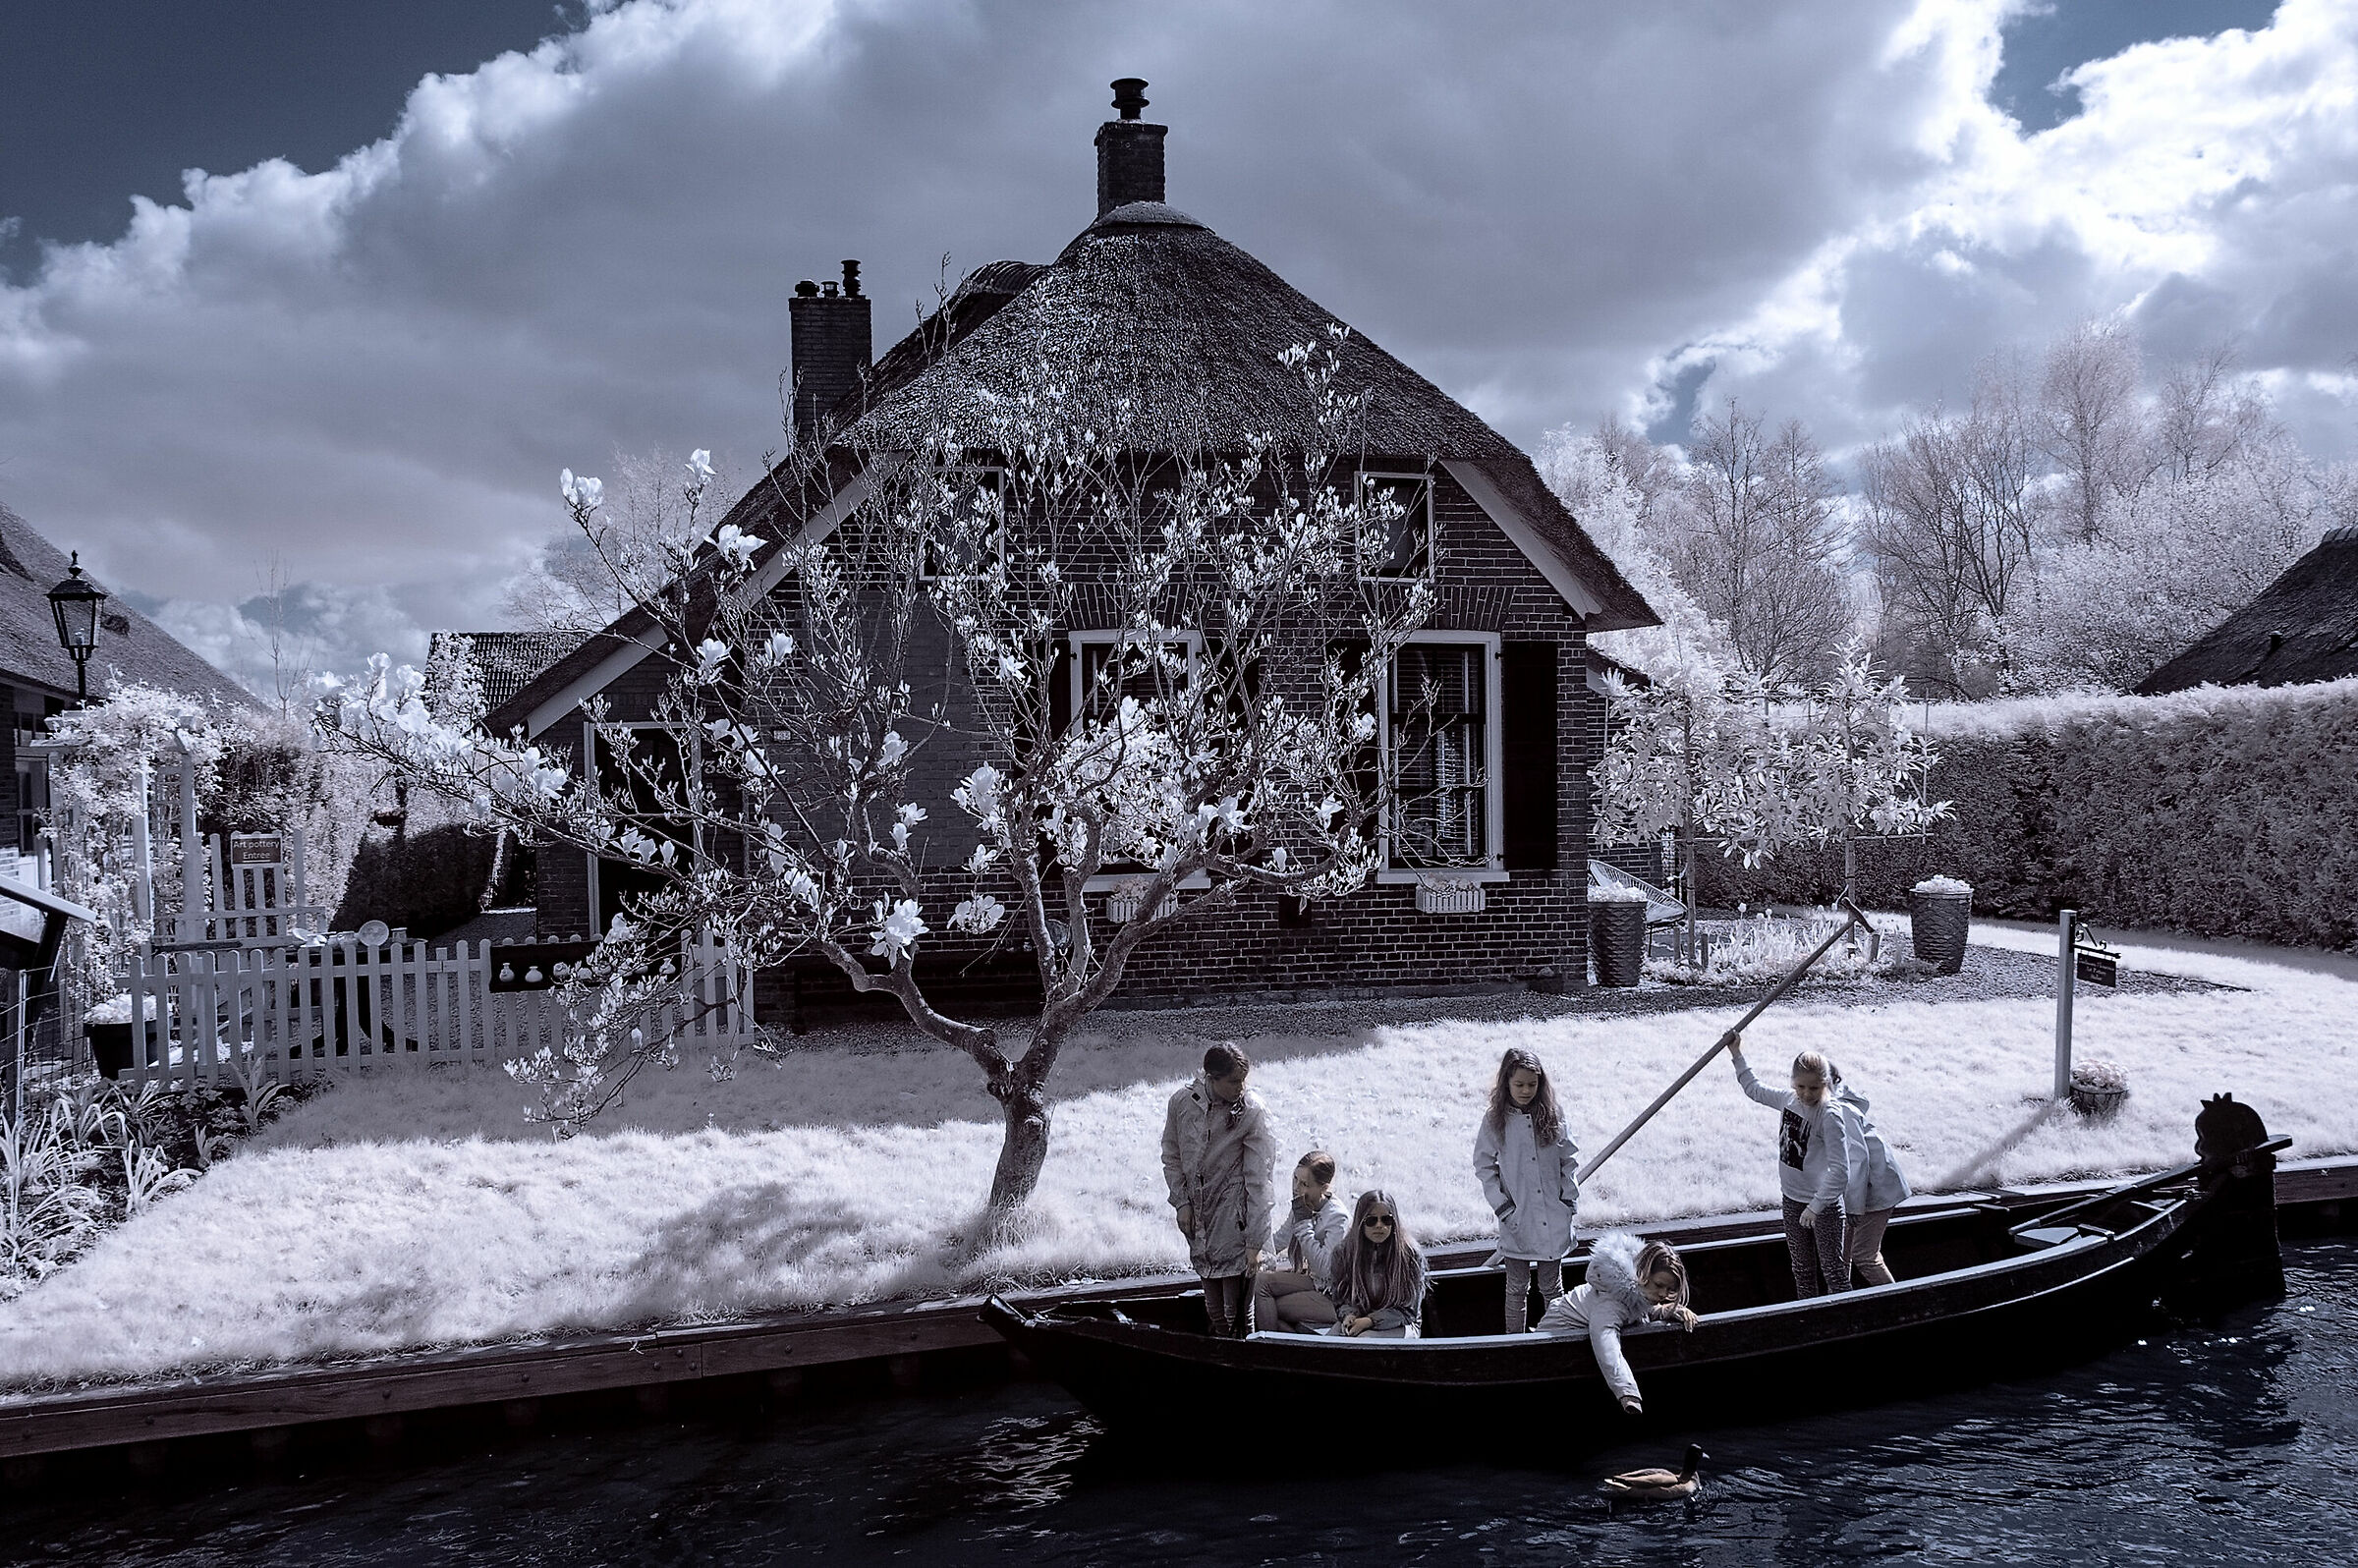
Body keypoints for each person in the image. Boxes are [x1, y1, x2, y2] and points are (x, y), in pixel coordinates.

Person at [1729, 1034, 1864, 1298]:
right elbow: (1754, 1089)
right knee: (1801, 1269)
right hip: (1792, 1199)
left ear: (1825, 1085)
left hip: (1823, 1206)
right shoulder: (1788, 1100)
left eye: (1813, 1088)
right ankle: (1808, 1319)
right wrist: (1736, 1053)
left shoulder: (1830, 1115)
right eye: (1800, 1086)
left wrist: (1815, 1207)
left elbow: (1840, 1171)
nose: (1806, 1094)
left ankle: (1847, 1323)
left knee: (1834, 1272)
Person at [1160, 1041, 1277, 1337]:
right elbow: (1172, 1155)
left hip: (1235, 1218)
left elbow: (1260, 1178)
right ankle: (1221, 1361)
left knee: (1237, 1313)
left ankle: (1244, 1364)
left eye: (1243, 1080)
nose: (1241, 1087)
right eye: (1234, 1081)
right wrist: (1182, 1203)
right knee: (1214, 1310)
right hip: (1200, 1217)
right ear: (1211, 1077)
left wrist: (1255, 1241)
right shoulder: (1182, 1103)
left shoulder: (1251, 1110)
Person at [1473, 1046, 1581, 1333]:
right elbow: (1484, 1166)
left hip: (1552, 1213)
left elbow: (1569, 1158)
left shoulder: (1553, 1113)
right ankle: (1513, 1341)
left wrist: (1568, 1198)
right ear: (1506, 1082)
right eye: (1519, 1084)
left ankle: (1556, 1335)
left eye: (1532, 1084)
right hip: (1517, 1215)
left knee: (1551, 1285)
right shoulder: (1495, 1119)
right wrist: (1503, 1207)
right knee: (1516, 1287)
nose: (1525, 1090)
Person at [1537, 1233, 1699, 1414]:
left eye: (1669, 1289)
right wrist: (1627, 1391)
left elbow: (1642, 1311)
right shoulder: (1612, 1302)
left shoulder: (1637, 1290)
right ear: (1642, 1274)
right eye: (1659, 1285)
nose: (1663, 1294)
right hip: (1557, 1335)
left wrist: (1671, 1310)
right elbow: (1605, 1340)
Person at [1830, 1062, 1912, 1286]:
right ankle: (1840, 1302)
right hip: (1860, 1190)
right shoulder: (1831, 1107)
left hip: (1876, 1189)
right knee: (1839, 1258)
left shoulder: (1841, 1112)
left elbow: (1858, 1160)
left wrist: (1853, 1208)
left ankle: (1898, 1302)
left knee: (1865, 1255)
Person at [1252, 1149, 1349, 1333]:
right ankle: (1283, 1340)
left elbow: (1326, 1269)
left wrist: (1304, 1225)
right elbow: (1281, 1239)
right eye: (1295, 1179)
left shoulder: (1338, 1217)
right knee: (1260, 1284)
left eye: (1304, 1184)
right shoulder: (1303, 1203)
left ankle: (1272, 1349)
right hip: (1312, 1280)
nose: (1296, 1187)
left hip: (1333, 1294)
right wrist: (1253, 1250)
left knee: (1266, 1306)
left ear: (1323, 1187)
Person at [1323, 1190, 1429, 1338]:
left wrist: (1370, 1321)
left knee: (1364, 1339)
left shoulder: (1410, 1255)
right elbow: (1340, 1300)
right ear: (1361, 1222)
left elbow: (1409, 1312)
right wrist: (1348, 1315)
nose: (1379, 1225)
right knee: (1330, 1340)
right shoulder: (1343, 1252)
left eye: (1386, 1220)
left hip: (1402, 1324)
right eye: (1371, 1220)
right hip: (1359, 1318)